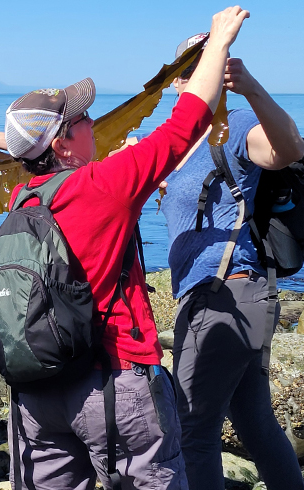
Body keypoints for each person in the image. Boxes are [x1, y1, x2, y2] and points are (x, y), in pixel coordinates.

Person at [0, 7, 250, 489]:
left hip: (37, 396)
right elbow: (184, 126)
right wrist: (219, 42)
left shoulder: (23, 197)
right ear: (62, 144)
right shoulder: (105, 185)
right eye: (84, 119)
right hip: (116, 384)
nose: (95, 123)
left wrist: (1, 140)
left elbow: (29, 155)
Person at [158, 34, 304, 489]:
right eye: (186, 69)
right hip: (216, 296)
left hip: (228, 293)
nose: (191, 77)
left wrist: (252, 88)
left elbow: (289, 151)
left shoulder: (235, 124)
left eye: (205, 66)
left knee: (192, 432)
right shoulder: (175, 143)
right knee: (255, 422)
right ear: (176, 83)